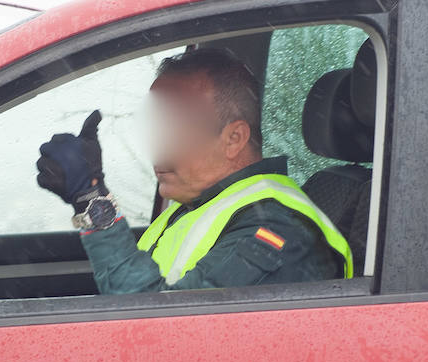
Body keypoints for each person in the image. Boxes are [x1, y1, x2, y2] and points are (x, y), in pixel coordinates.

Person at [35, 47, 353, 294]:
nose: (159, 148)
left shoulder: (276, 231)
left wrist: (91, 199)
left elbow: (155, 330)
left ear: (234, 139)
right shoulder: (198, 208)